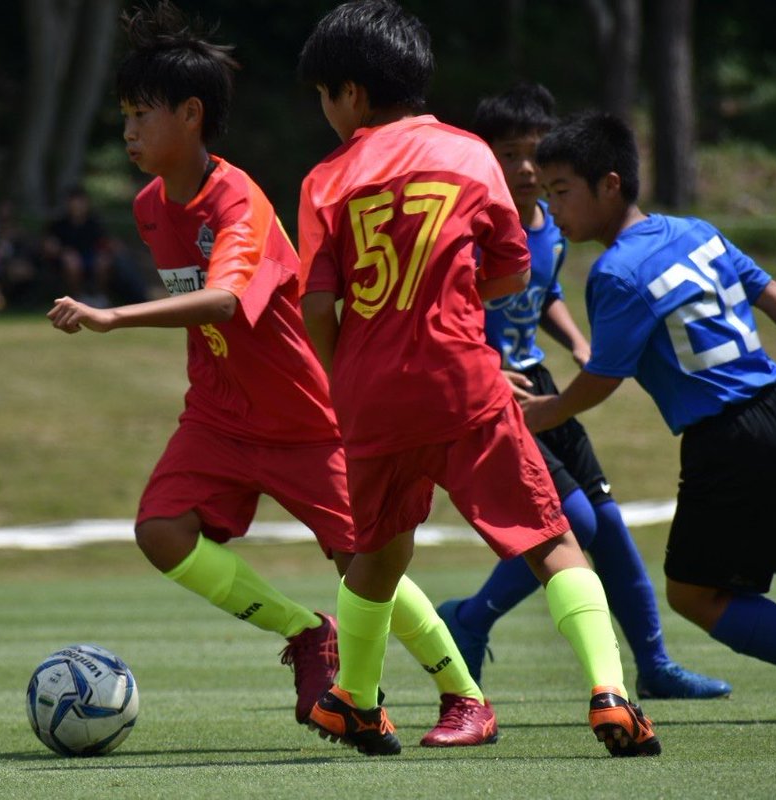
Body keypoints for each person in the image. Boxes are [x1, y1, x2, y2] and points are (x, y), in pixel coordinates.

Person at [47, 0, 496, 750]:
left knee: (364, 561)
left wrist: (109, 317)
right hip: (219, 417)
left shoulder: (239, 200)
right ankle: (305, 632)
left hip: (305, 417)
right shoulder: (151, 204)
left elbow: (223, 300)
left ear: (191, 115)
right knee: (160, 532)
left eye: (140, 114)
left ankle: (464, 696)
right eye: (122, 114)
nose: (126, 131)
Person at [295, 0, 659, 757]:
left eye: (325, 96)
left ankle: (355, 701)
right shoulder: (468, 155)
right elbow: (510, 272)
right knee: (550, 539)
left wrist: (346, 371)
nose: (326, 112)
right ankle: (610, 694)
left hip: (372, 392)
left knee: (380, 551)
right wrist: (449, 295)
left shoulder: (326, 179)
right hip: (461, 379)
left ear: (351, 94)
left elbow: (320, 304)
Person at [523, 109, 776, 722]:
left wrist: (546, 412)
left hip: (729, 440)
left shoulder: (616, 273)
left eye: (562, 192)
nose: (555, 208)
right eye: (547, 194)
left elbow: (603, 376)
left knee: (694, 594)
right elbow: (767, 288)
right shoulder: (695, 230)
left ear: (610, 184)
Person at [434, 83, 731, 701]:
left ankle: (654, 665)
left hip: (538, 383)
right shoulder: (468, 226)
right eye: (508, 153)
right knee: (573, 520)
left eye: (534, 154)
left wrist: (576, 341)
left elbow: (541, 295)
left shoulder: (551, 226)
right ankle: (469, 618)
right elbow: (444, 309)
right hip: (493, 393)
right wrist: (485, 364)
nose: (523, 168)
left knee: (611, 525)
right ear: (483, 155)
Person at [41, 187, 115, 307]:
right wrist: (61, 251)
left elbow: (105, 243)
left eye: (81, 202)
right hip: (64, 260)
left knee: (103, 261)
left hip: (90, 257)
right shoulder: (58, 224)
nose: (78, 206)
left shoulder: (94, 223)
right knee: (72, 261)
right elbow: (49, 246)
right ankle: (78, 298)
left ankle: (100, 296)